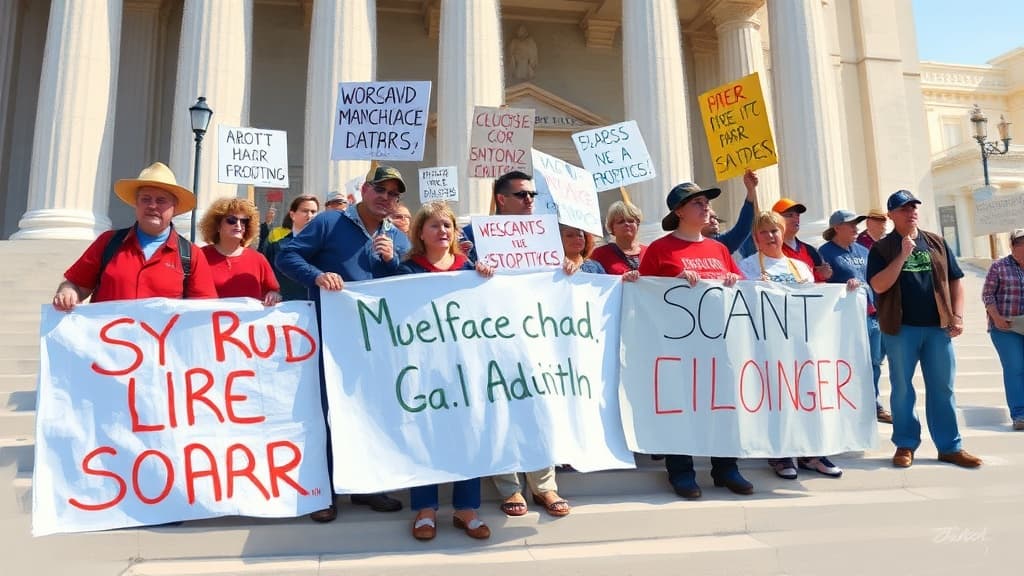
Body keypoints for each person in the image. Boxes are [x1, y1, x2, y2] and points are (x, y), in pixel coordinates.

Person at [276, 165, 412, 522]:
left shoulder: (397, 238)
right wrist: (318, 276)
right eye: (380, 190)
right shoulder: (328, 223)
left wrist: (392, 261)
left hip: (373, 341)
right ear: (364, 190)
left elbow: (410, 285)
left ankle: (368, 487)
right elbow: (287, 256)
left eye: (394, 194)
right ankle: (323, 491)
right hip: (330, 336)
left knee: (369, 411)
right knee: (326, 411)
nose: (386, 198)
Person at [638, 181, 753, 499]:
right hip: (677, 347)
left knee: (722, 405)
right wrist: (669, 284)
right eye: (697, 203)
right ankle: (681, 471)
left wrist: (733, 281)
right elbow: (642, 294)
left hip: (719, 346)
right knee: (681, 406)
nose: (706, 208)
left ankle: (726, 467)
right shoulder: (660, 250)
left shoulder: (718, 250)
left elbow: (742, 291)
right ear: (678, 212)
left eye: (706, 202)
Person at [397, 202, 495, 541]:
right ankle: (425, 508)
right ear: (420, 232)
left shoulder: (469, 269)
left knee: (468, 432)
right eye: (435, 225)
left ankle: (466, 508)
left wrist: (485, 278)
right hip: (422, 367)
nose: (443, 231)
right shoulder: (407, 270)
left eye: (448, 226)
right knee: (425, 433)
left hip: (464, 367)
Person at [867, 189, 981, 469]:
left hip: (937, 328)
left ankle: (950, 446)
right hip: (900, 328)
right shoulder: (881, 249)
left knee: (943, 387)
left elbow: (956, 281)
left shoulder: (937, 242)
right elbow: (879, 285)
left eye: (914, 207)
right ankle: (905, 444)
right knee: (903, 389)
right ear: (892, 214)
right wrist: (902, 256)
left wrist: (958, 315)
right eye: (904, 209)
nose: (911, 212)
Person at [739, 211, 844, 479]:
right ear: (756, 238)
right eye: (764, 232)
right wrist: (752, 287)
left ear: (783, 233)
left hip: (802, 344)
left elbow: (816, 303)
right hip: (768, 344)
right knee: (777, 398)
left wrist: (847, 290)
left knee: (807, 397)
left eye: (774, 230)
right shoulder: (748, 266)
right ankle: (781, 453)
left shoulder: (801, 267)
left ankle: (813, 452)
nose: (770, 236)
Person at [53, 162, 217, 312]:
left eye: (161, 200)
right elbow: (76, 285)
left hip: (159, 344)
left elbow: (204, 312)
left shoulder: (191, 255)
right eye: (145, 199)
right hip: (109, 342)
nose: (152, 206)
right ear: (136, 204)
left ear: (174, 208)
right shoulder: (108, 243)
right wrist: (67, 291)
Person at [819, 210, 892, 424]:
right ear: (836, 228)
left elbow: (874, 278)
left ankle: (873, 402)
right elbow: (821, 283)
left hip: (872, 315)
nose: (856, 228)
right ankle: (848, 403)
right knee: (849, 362)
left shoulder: (864, 250)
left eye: (856, 224)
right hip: (846, 318)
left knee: (875, 361)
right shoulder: (824, 252)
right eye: (850, 224)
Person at [198, 197, 281, 305]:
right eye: (231, 220)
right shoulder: (199, 256)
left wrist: (273, 295)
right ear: (218, 226)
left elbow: (274, 291)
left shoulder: (258, 259)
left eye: (244, 221)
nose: (238, 225)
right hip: (209, 320)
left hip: (249, 321)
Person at [981, 228, 1024, 431]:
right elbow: (988, 295)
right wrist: (996, 317)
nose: (1022, 247)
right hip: (1005, 326)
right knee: (1015, 368)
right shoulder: (999, 266)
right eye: (1019, 243)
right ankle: (1020, 414)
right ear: (1012, 246)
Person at [461, 170, 535, 261]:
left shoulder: (543, 234)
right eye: (522, 194)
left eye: (532, 194)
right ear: (501, 199)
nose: (529, 200)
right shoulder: (473, 233)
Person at [262, 194, 320, 301]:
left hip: (319, 308)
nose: (310, 216)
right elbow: (266, 274)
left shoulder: (325, 246)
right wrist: (272, 291)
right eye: (305, 211)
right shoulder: (278, 246)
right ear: (292, 215)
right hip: (287, 307)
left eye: (313, 212)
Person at [702, 169, 759, 254]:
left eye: (715, 218)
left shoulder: (720, 244)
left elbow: (742, 228)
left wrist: (751, 190)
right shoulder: (679, 245)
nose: (714, 221)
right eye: (709, 217)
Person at [591, 201, 646, 277]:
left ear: (637, 225)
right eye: (621, 222)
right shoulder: (600, 254)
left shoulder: (650, 252)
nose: (626, 224)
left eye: (631, 221)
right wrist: (621, 279)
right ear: (612, 228)